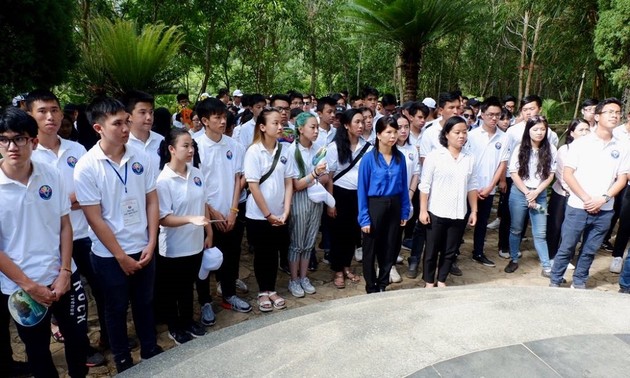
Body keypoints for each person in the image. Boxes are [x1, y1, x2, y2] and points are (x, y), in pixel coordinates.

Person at [74, 97, 162, 373]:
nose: (126, 128)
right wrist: (120, 256)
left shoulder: (143, 157)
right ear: (99, 127)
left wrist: (151, 241)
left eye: (126, 121)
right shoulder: (87, 166)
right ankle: (122, 357)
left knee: (145, 302)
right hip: (109, 254)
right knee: (115, 307)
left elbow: (151, 200)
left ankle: (150, 348)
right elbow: (94, 217)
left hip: (143, 245)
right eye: (118, 123)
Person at [0, 107, 88, 378]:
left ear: (33, 141)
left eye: (19, 138)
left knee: (77, 341)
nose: (11, 146)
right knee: (37, 351)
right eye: (3, 139)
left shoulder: (50, 174)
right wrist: (30, 286)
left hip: (63, 278)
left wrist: (64, 272)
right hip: (20, 288)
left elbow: (64, 224)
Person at [26, 89, 105, 366]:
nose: (50, 117)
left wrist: (77, 199)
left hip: (85, 233)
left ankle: (106, 337)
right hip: (51, 241)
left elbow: (93, 189)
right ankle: (78, 348)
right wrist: (66, 200)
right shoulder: (29, 156)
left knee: (100, 289)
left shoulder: (77, 149)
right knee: (64, 298)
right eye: (42, 111)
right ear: (30, 115)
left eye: (55, 110)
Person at [550, 98, 628, 289]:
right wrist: (586, 199)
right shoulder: (581, 143)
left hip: (605, 208)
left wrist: (604, 198)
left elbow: (622, 178)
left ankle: (579, 281)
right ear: (597, 115)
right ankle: (556, 280)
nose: (614, 115)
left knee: (589, 250)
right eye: (610, 111)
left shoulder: (623, 145)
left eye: (617, 112)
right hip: (578, 206)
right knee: (567, 247)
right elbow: (568, 174)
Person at [195, 97, 252, 317]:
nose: (222, 121)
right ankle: (205, 301)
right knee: (205, 261)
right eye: (217, 117)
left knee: (231, 255)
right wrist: (211, 212)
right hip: (205, 214)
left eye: (223, 116)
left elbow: (239, 179)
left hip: (231, 213)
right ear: (204, 121)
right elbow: (195, 184)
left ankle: (229, 295)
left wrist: (233, 211)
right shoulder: (195, 146)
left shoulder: (234, 146)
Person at [155, 128, 211, 345]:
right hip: (173, 247)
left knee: (188, 286)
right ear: (171, 149)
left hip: (195, 243)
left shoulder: (196, 173)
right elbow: (163, 218)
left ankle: (188, 320)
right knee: (172, 289)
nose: (191, 150)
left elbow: (203, 204)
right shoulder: (164, 180)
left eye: (192, 146)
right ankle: (174, 326)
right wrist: (190, 219)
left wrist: (209, 232)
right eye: (185, 146)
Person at [244, 109, 296, 311]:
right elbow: (253, 185)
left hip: (280, 213)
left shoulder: (285, 150)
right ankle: (262, 291)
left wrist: (286, 210)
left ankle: (272, 288)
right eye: (275, 123)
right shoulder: (253, 152)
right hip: (258, 215)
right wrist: (268, 214)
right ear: (263, 127)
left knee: (274, 252)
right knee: (262, 253)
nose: (280, 126)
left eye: (280, 123)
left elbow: (289, 182)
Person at [419, 116, 478, 287]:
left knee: (450, 249)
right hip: (436, 210)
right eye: (457, 132)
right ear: (446, 134)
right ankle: (429, 281)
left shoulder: (469, 157)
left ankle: (442, 279)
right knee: (432, 249)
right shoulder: (435, 156)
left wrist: (473, 210)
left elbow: (472, 185)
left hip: (459, 211)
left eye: (464, 132)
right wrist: (423, 210)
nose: (461, 136)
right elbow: (425, 185)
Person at [358, 117, 410, 293]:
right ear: (378, 134)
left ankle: (382, 283)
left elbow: (403, 186)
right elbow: (362, 190)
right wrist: (364, 218)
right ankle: (371, 285)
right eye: (389, 132)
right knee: (370, 248)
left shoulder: (399, 158)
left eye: (395, 132)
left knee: (391, 245)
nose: (393, 136)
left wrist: (404, 211)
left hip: (394, 204)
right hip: (375, 205)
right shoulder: (368, 159)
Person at [504, 116, 557, 276]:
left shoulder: (551, 149)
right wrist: (528, 193)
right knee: (516, 228)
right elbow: (513, 172)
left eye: (542, 129)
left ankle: (546, 266)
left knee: (540, 232)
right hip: (519, 194)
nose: (539, 132)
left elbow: (550, 174)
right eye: (535, 129)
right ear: (528, 130)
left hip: (539, 195)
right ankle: (513, 258)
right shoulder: (520, 148)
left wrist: (536, 193)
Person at [326, 109, 371, 289]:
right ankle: (337, 270)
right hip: (339, 194)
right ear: (346, 125)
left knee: (353, 233)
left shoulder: (367, 147)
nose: (361, 126)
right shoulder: (334, 147)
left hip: (358, 196)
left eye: (363, 122)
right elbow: (329, 177)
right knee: (338, 233)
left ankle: (346, 266)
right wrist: (331, 202)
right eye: (356, 122)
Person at [286, 112, 328, 297]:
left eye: (317, 127)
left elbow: (326, 175)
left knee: (309, 241)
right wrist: (315, 175)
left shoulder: (319, 148)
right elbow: (295, 185)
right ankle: (294, 280)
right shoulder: (291, 151)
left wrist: (319, 176)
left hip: (316, 199)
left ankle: (304, 277)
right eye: (312, 127)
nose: (316, 131)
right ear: (300, 129)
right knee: (297, 242)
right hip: (299, 200)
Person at [464, 97, 509, 268]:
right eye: (490, 114)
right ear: (482, 114)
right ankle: (452, 254)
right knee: (462, 221)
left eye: (497, 115)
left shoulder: (503, 138)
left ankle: (478, 252)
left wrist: (492, 185)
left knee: (482, 222)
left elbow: (502, 163)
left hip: (489, 187)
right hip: (469, 187)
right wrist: (472, 187)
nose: (494, 118)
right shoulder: (471, 135)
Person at [546, 119, 590, 266]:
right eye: (581, 130)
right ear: (572, 133)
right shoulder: (564, 150)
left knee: (573, 229)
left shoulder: (593, 151)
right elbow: (562, 175)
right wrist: (576, 192)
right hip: (563, 195)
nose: (585, 133)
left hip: (583, 197)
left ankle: (567, 257)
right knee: (556, 226)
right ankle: (551, 255)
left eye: (587, 130)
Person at [120, 90, 164, 179]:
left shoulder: (162, 141)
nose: (149, 117)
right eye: (142, 112)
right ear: (129, 116)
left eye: (151, 112)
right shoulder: (122, 145)